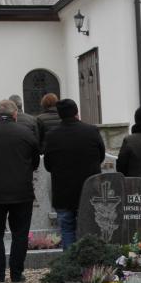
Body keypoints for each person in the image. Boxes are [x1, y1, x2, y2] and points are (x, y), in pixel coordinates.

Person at [0, 100, 40, 283]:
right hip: (21, 192)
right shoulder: (26, 133)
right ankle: (17, 275)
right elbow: (35, 162)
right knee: (20, 233)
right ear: (15, 115)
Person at [43, 99, 105, 249]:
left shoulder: (52, 135)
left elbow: (48, 164)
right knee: (89, 228)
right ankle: (88, 265)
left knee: (67, 228)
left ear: (60, 115)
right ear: (76, 112)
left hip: (64, 191)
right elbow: (101, 156)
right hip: (89, 188)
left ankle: (70, 265)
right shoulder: (91, 131)